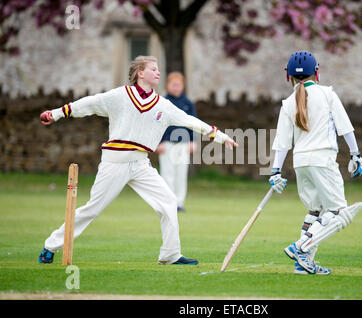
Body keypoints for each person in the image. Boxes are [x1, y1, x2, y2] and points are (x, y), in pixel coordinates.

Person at [38, 55, 237, 265]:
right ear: (140, 73)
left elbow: (189, 121)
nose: (158, 72)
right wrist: (57, 113)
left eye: (158, 69)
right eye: (153, 69)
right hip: (114, 163)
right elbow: (90, 103)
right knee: (92, 209)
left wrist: (220, 136)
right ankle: (51, 246)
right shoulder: (120, 96)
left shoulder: (163, 105)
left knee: (168, 202)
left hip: (141, 164)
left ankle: (170, 255)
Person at [269, 50, 362, 275]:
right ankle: (301, 247)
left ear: (288, 77)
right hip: (322, 160)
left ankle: (304, 265)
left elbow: (282, 142)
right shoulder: (328, 94)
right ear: (317, 73)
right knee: (339, 213)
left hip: (301, 163)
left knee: (316, 211)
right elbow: (345, 127)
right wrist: (356, 155)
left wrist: (274, 172)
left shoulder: (287, 103)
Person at [156, 72, 197, 212]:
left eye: (178, 85)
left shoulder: (188, 103)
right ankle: (168, 203)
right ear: (167, 85)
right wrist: (158, 142)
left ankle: (179, 202)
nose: (176, 88)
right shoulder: (162, 102)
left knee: (181, 174)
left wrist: (193, 141)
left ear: (183, 86)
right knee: (167, 174)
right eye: (173, 85)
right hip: (167, 143)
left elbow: (193, 123)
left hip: (183, 144)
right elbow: (158, 124)